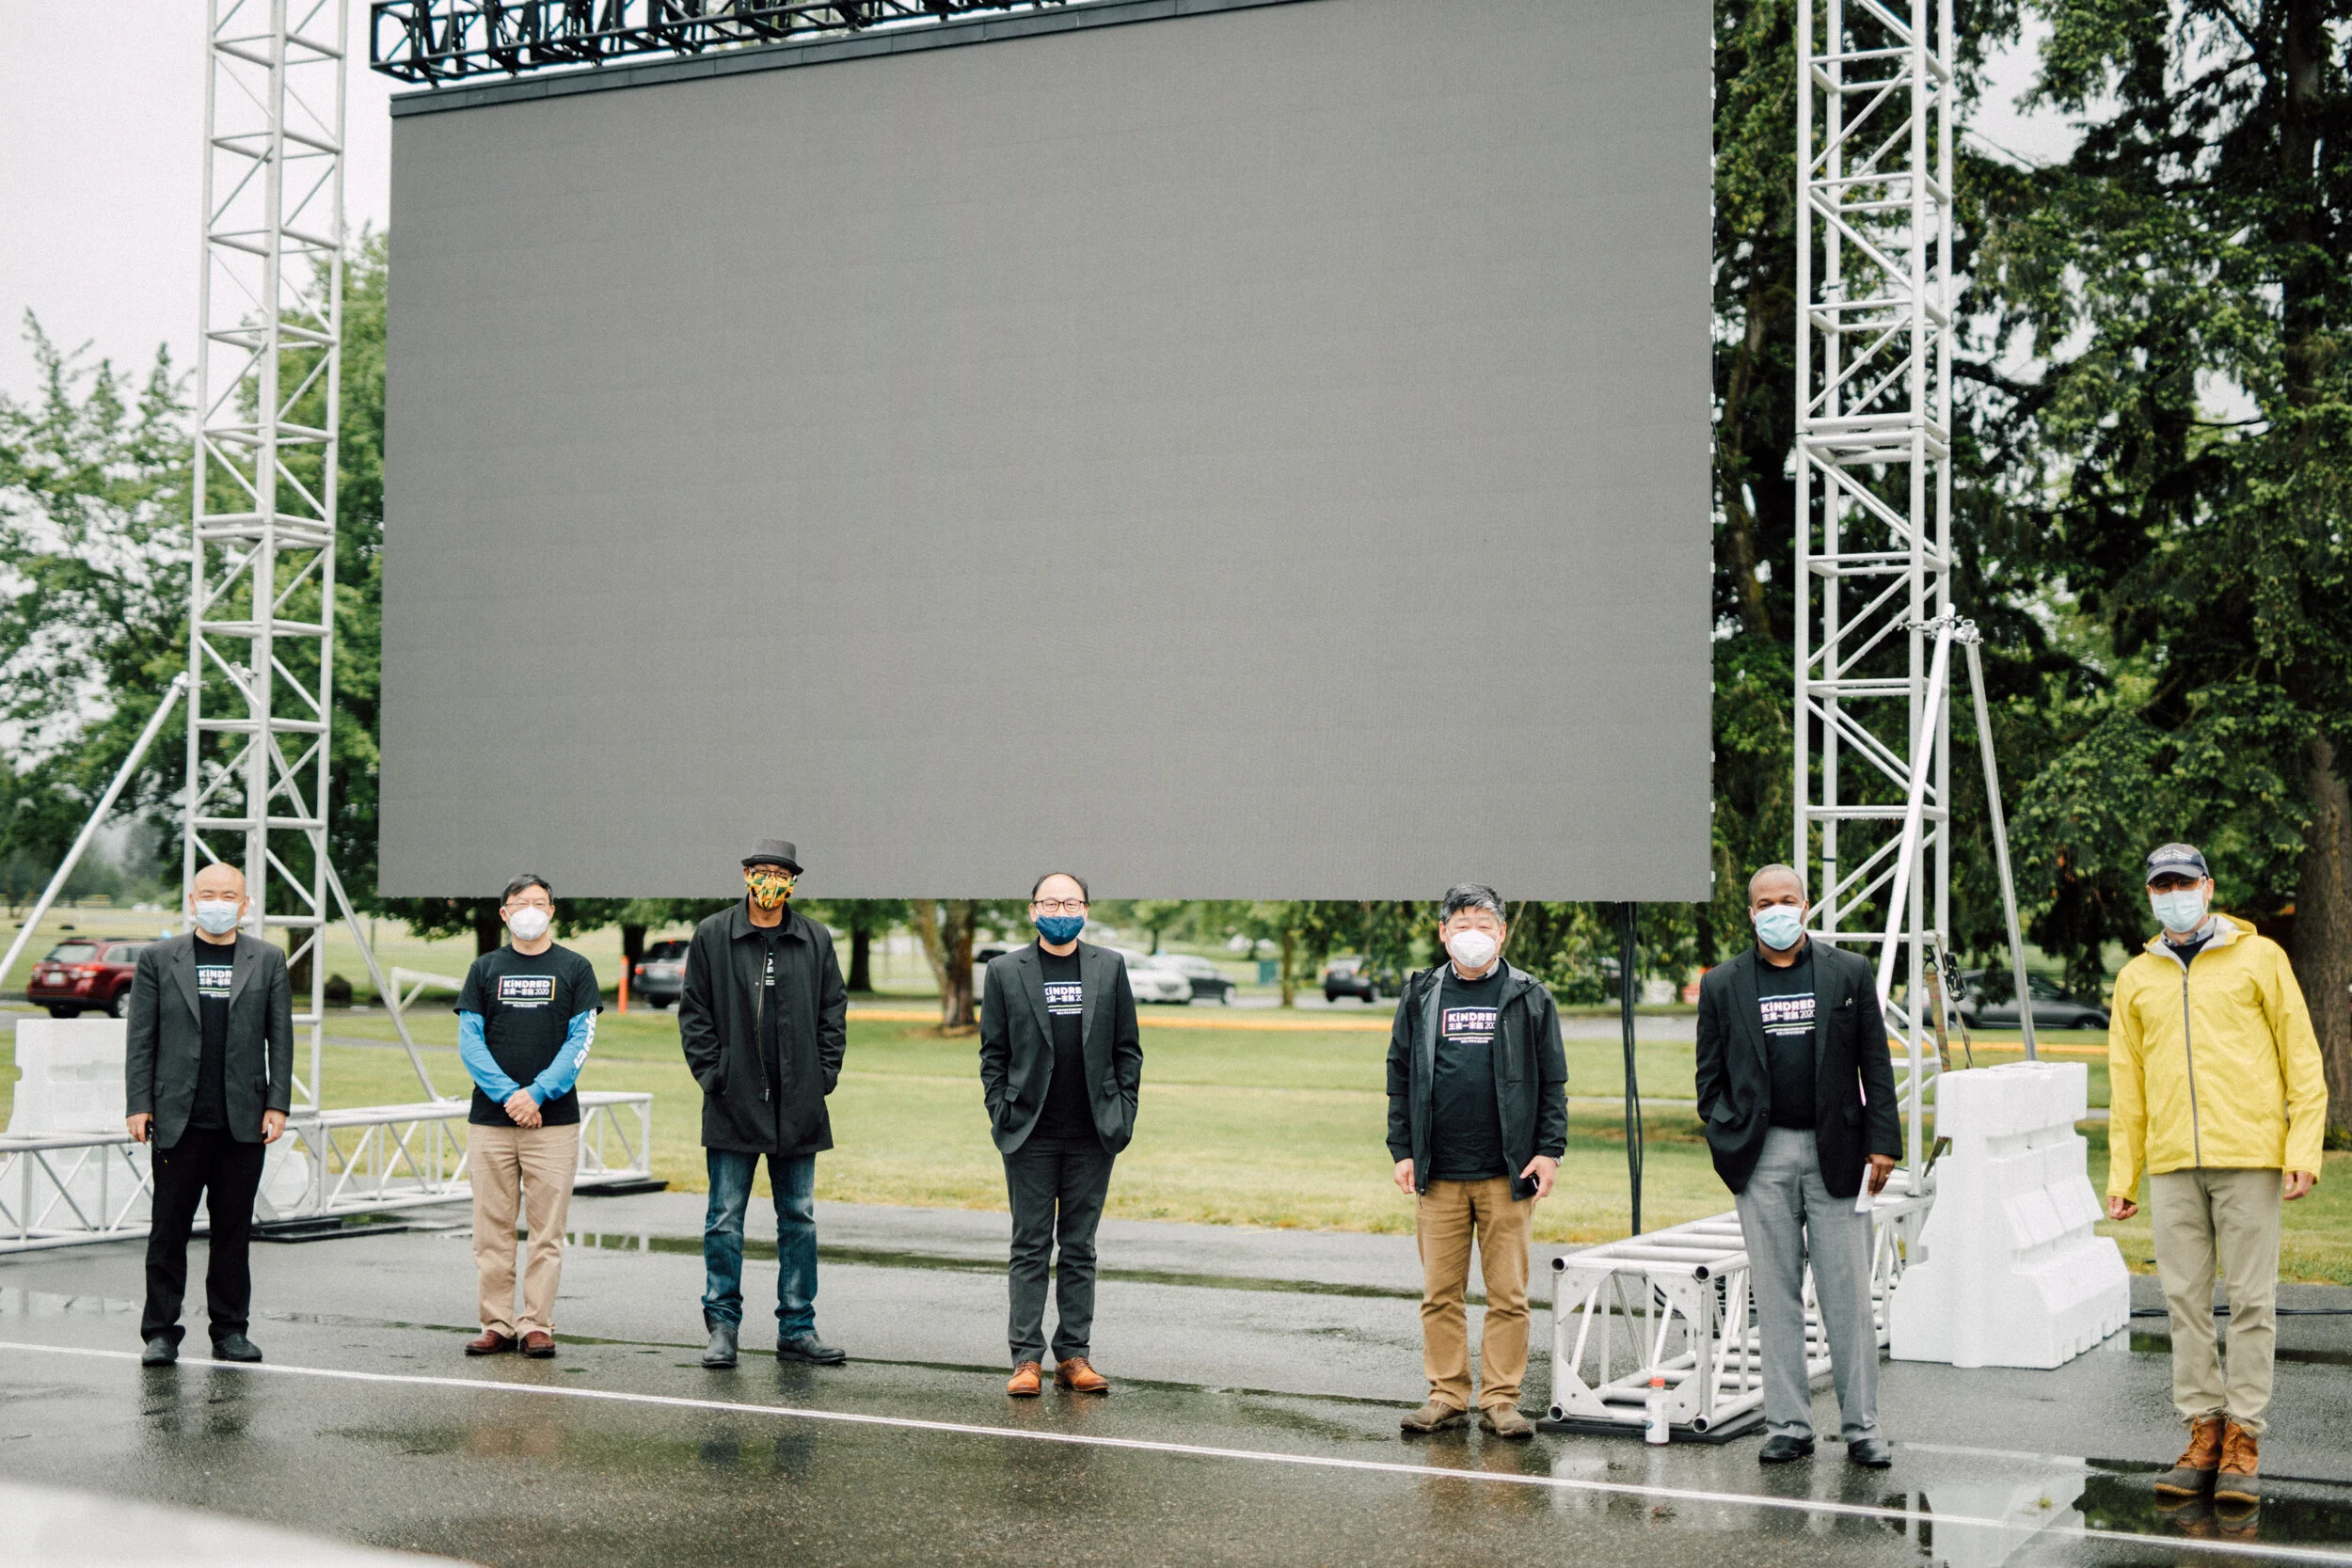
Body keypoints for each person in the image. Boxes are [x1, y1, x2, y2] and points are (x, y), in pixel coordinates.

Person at [2107, 843, 2327, 1510]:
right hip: (2174, 1161)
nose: (2173, 893)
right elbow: (2127, 1084)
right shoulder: (2135, 977)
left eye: (2183, 882)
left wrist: (2303, 1148)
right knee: (2184, 1302)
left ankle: (2243, 1440)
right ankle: (2203, 1433)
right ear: (2151, 894)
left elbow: (2302, 1058)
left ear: (2207, 887)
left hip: (2250, 1156)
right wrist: (2124, 1173)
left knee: (2253, 1301)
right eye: (2161, 885)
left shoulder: (2260, 957)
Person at [1693, 863, 1900, 1467]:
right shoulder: (1722, 983)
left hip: (1837, 1150)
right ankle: (1788, 1425)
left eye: (1787, 900)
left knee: (1848, 1296)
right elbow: (1709, 1077)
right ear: (1750, 912)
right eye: (1765, 903)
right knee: (1776, 1293)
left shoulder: (1848, 972)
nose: (1777, 910)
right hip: (1763, 1155)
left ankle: (1862, 1428)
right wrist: (1728, 1136)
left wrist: (1882, 1142)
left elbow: (1875, 1062)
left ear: (1805, 907)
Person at [1385, 884, 1567, 1440]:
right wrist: (1402, 1149)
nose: (1473, 935)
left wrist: (1550, 1150)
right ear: (1443, 932)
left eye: (1484, 926)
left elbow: (1553, 1081)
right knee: (1440, 1295)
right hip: (1438, 1172)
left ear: (1502, 933)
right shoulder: (1421, 994)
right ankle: (1446, 1394)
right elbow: (1399, 1074)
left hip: (1506, 1173)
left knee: (1508, 1296)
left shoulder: (1529, 995)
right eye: (1462, 924)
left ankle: (1501, 1400)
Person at [679, 838, 849, 1370]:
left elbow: (833, 1011)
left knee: (798, 1218)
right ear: (746, 875)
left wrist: (823, 1076)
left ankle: (797, 1327)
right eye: (761, 870)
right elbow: (694, 1013)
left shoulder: (814, 938)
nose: (769, 880)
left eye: (780, 873)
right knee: (725, 1218)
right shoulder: (713, 935)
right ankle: (722, 1327)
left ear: (792, 882)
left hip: (799, 1104)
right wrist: (714, 1075)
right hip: (733, 1101)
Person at [978, 872, 1144, 1397]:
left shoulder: (1109, 966)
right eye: (1050, 903)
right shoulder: (1005, 970)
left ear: (1086, 910)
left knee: (1079, 1248)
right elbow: (993, 1054)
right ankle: (1025, 1360)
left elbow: (1128, 1049)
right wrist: (1001, 1110)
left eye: (1070, 903)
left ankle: (1074, 1356)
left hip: (1093, 1132)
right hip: (1029, 1132)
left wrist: (1123, 1111)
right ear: (1033, 910)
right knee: (1030, 1246)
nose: (1060, 911)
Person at [122, 861, 294, 1367]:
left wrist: (278, 1103)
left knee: (232, 1233)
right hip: (176, 1119)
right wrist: (138, 1104)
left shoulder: (268, 959)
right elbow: (141, 1038)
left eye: (229, 896)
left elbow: (281, 1038)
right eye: (209, 895)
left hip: (243, 1120)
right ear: (193, 902)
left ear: (245, 905)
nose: (218, 904)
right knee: (167, 1232)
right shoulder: (158, 958)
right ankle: (160, 1332)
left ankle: (231, 1331)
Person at [456, 874, 599, 1359]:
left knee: (546, 1233)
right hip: (491, 1121)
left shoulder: (576, 968)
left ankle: (537, 1323)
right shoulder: (484, 969)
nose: (531, 910)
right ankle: (496, 1323)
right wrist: (509, 1097)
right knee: (491, 1230)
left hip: (553, 1122)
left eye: (540, 902)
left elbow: (579, 1042)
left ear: (552, 910)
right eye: (521, 903)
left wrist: (537, 1093)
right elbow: (470, 1043)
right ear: (505, 913)